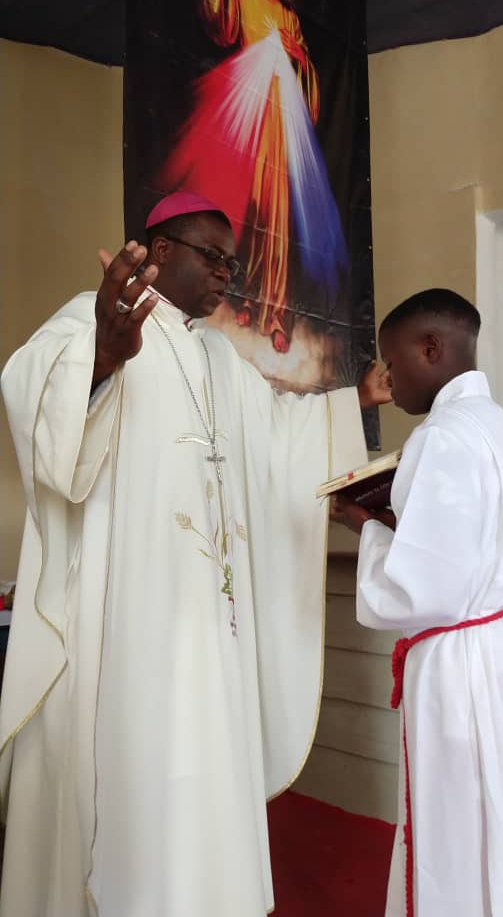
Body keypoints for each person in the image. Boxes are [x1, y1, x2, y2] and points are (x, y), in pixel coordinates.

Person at [0, 191, 390, 917]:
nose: (224, 276)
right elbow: (32, 392)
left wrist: (352, 403)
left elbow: (277, 436)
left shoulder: (219, 357)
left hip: (212, 625)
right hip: (128, 621)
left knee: (205, 763)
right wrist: (102, 357)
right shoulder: (90, 318)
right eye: (212, 257)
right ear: (160, 249)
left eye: (231, 265)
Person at [333, 288, 503, 916]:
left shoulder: (440, 436)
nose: (388, 378)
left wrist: (365, 527)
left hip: (466, 669)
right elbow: (469, 553)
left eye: (392, 361)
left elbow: (418, 590)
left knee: (461, 833)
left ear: (431, 348)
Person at [160, 0, 344, 355]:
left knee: (277, 222)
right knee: (251, 210)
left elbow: (307, 77)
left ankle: (275, 315)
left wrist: (299, 59)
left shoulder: (290, 16)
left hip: (281, 120)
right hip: (248, 109)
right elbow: (221, 27)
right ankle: (247, 300)